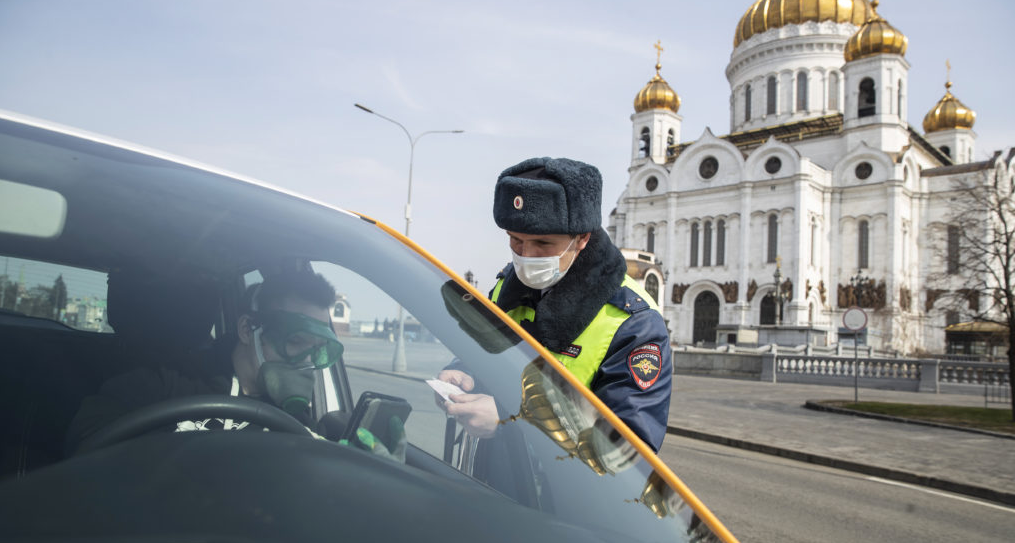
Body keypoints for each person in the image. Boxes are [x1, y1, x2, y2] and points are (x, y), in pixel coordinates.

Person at [438, 157, 672, 452]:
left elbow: (628, 447)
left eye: (544, 244)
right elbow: (484, 351)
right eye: (515, 240)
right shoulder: (505, 286)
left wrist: (514, 419)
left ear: (582, 238)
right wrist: (461, 373)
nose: (527, 255)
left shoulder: (633, 322)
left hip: (564, 495)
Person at [65, 270, 375, 455]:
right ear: (246, 329)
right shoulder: (167, 382)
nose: (305, 362)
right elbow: (86, 441)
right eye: (294, 342)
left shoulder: (295, 416)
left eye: (317, 349)